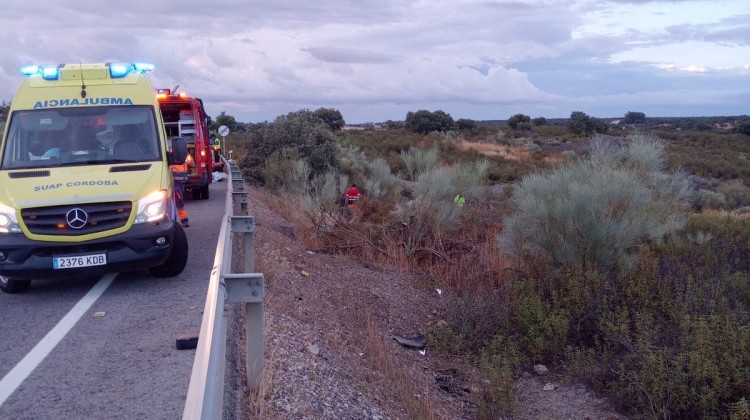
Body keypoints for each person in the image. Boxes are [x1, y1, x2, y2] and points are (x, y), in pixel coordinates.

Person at [169, 140, 190, 227]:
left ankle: (181, 220)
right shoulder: (171, 154)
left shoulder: (184, 154)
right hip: (174, 181)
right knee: (178, 201)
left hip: (180, 181)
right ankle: (183, 220)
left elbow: (190, 162)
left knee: (179, 201)